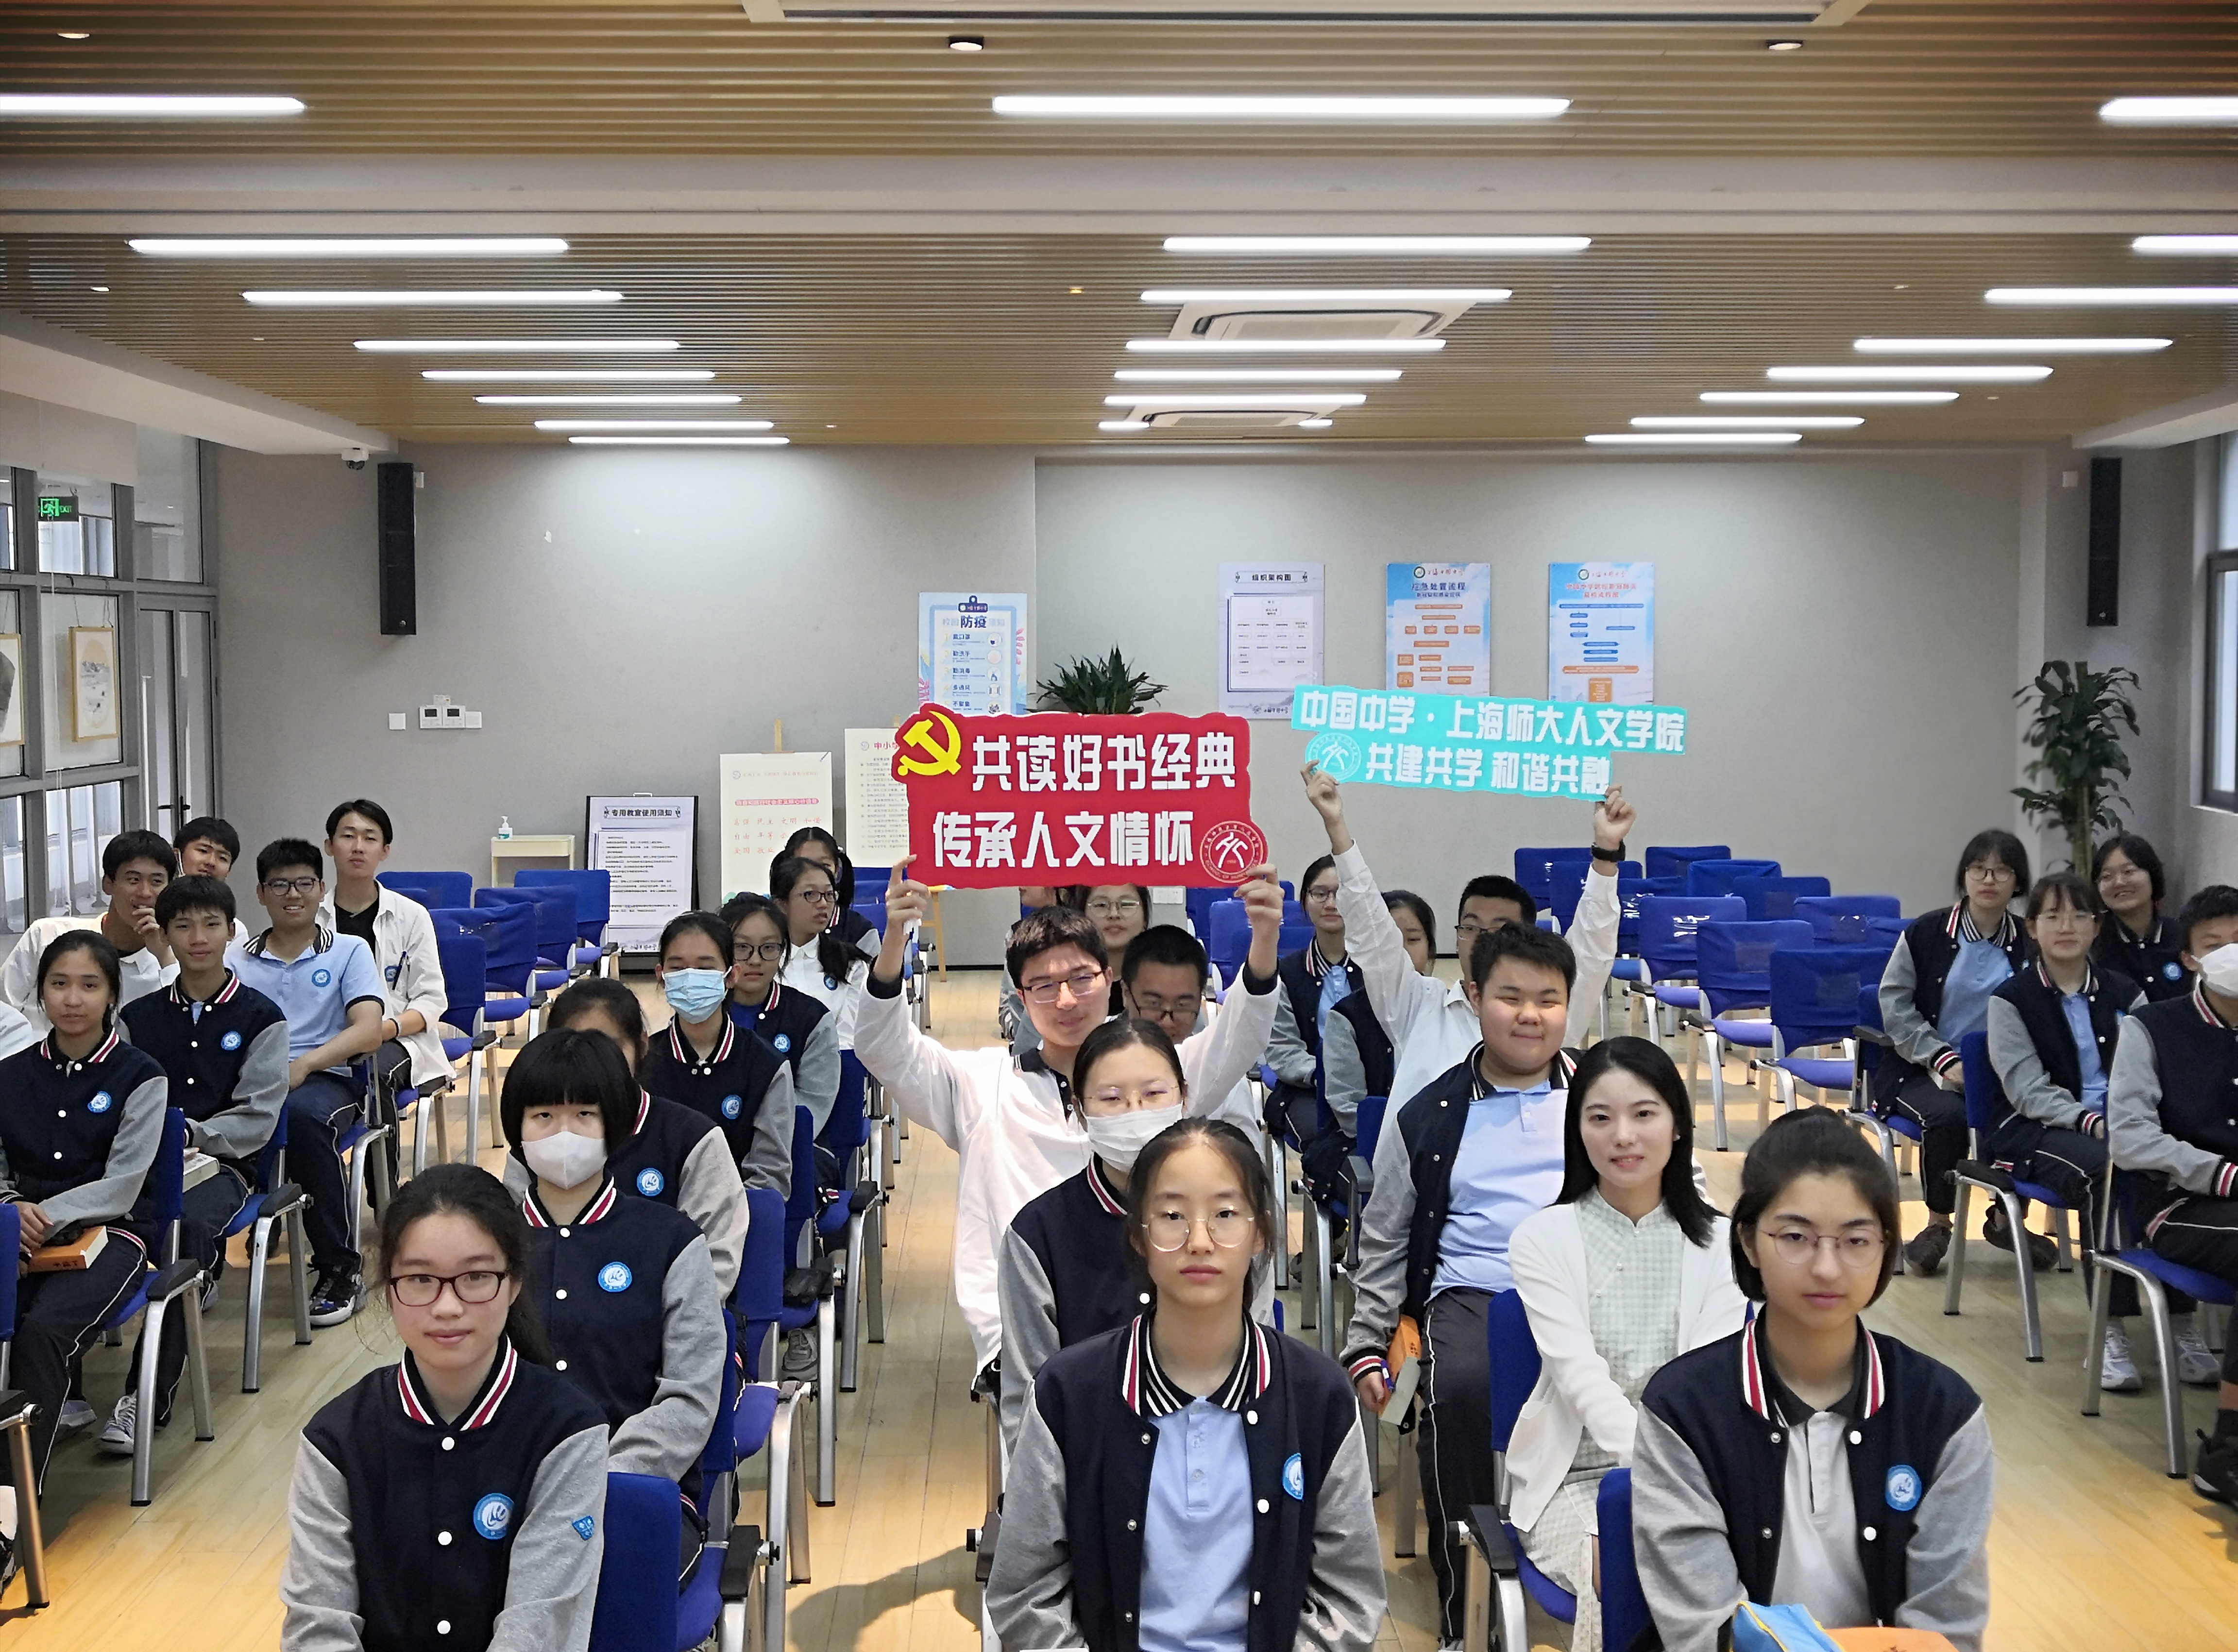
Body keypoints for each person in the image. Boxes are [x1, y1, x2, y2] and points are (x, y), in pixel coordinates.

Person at [855, 855, 1281, 1382]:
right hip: (1024, 1338)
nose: (1065, 1000)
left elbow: (1239, 1036)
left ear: (1110, 978)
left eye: (1082, 978)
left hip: (1162, 1325)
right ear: (1020, 996)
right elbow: (885, 1049)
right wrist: (894, 944)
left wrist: (1265, 937)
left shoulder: (1160, 1071)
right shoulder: (980, 1084)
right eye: (1043, 985)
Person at [987, 1117, 1386, 1652]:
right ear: (1139, 1236)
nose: (1199, 1241)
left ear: (1261, 1233)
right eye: (1172, 1216)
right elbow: (1025, 1593)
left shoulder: (1319, 1397)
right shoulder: (1069, 1394)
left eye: (1225, 1214)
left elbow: (1350, 1596)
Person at [1631, 1109, 1992, 1652]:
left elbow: (1944, 1633)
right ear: (1749, 1241)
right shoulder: (1682, 1410)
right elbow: (1710, 1633)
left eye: (1855, 1240)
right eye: (1796, 1237)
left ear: (1886, 1246)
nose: (1827, 1268)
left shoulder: (1944, 1414)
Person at [1336, 912, 1595, 1644]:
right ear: (1475, 998)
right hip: (1478, 1289)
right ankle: (1469, 1611)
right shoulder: (1432, 1111)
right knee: (1466, 1389)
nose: (1530, 1015)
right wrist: (1367, 1340)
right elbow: (1386, 1234)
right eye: (1511, 996)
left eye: (1548, 999)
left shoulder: (1601, 1095)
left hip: (1591, 1287)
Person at [279, 1163, 609, 1652]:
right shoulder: (335, 1440)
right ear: (389, 1287)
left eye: (476, 1277)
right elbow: (317, 1628)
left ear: (515, 1282)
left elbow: (537, 1630)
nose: (447, 1306)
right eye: (420, 1279)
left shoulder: (567, 1431)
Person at [1507, 1037, 1747, 1652]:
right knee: (1616, 1566)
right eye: (1600, 1117)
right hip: (1574, 1479)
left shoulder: (1724, 1244)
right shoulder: (1541, 1239)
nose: (1623, 1136)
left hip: (1694, 1478)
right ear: (1577, 1130)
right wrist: (1654, 1479)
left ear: (1677, 1125)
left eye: (1644, 1114)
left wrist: (1671, 1486)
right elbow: (1580, 1378)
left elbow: (1704, 1384)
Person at [999, 1017, 1276, 1454]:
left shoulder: (1233, 1216)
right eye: (1112, 1098)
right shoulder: (1038, 1235)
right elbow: (1028, 1399)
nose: (1135, 1112)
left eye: (1154, 1095)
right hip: (1091, 1457)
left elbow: (1260, 1356)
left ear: (1184, 1097)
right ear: (1079, 1110)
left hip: (1223, 1450)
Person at [1984, 871, 2212, 1394]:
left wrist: (2139, 1125)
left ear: (2097, 926)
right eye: (2052, 916)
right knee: (2101, 1171)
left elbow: (2154, 1073)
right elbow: (2027, 1091)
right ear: (2032, 928)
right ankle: (2109, 1328)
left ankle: (2180, 1322)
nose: (2067, 926)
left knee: (2173, 1159)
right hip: (2034, 1131)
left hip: (2121, 1124)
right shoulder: (2011, 1000)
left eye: (2080, 915)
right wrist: (2092, 1120)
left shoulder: (2126, 992)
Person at [505, 1029, 723, 1574]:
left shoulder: (672, 1240)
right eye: (543, 1116)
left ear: (616, 1125)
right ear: (517, 1129)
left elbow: (690, 1396)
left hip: (631, 1492)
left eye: (584, 1115)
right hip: (505, 1491)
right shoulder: (487, 1244)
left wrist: (596, 1477)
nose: (563, 1133)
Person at [1302, 761, 1629, 1120]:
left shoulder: (1545, 1015)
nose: (1482, 941)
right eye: (1471, 927)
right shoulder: (1418, 1005)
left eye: (1500, 929)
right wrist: (1336, 825)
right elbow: (1372, 932)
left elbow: (1592, 950)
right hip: (1429, 1156)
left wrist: (1606, 852)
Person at [104, 874, 289, 1455]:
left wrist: (193, 1134)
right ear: (165, 934)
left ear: (232, 931)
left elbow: (258, 1118)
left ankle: (145, 1395)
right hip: (141, 1166)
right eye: (183, 926)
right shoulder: (137, 1016)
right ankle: (61, 1392)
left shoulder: (262, 1017)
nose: (198, 937)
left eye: (211, 925)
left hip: (225, 1168)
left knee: (184, 1232)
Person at [0, 930, 167, 1569]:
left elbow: (123, 1183)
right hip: (17, 1231)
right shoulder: (10, 1074)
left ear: (112, 995)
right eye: (60, 984)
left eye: (89, 985)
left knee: (42, 1333)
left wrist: (43, 1215)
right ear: (40, 992)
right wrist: (11, 1206)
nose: (73, 999)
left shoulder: (140, 1075)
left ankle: (13, 1516)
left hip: (112, 1236)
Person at [2106, 884, 2238, 1503]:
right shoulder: (2152, 1027)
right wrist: (2220, 1173)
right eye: (2217, 944)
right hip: (2182, 1205)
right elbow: (2131, 1139)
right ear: (2190, 959)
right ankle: (2227, 1448)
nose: (2233, 953)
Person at [229, 838, 390, 1327]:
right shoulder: (237, 960)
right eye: (280, 885)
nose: (293, 894)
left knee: (300, 1120)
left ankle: (340, 1267)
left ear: (322, 889)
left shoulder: (348, 950)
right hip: (253, 1083)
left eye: (304, 883)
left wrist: (302, 1066)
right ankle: (202, 1264)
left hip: (329, 1079)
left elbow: (368, 1029)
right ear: (261, 893)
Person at [525, 977, 747, 1298]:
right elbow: (510, 1249)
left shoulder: (694, 1139)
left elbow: (715, 1264)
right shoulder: (533, 1142)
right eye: (576, 1046)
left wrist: (640, 1316)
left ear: (642, 1045)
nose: (593, 1064)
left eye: (609, 1047)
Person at [1875, 828, 2034, 1276]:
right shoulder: (1926, 933)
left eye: (2002, 871)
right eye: (1979, 869)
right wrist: (1944, 1059)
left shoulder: (2029, 941)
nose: (1989, 879)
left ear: (2018, 883)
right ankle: (1938, 1224)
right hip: (1921, 1066)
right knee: (1948, 1117)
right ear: (1964, 876)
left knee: (2028, 1113)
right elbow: (1895, 1004)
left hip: (2001, 1071)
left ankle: (2004, 1220)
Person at [320, 799, 450, 1149]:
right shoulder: (312, 918)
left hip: (396, 1039)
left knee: (373, 1074)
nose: (358, 847)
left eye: (370, 838)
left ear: (385, 851)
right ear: (329, 846)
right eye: (348, 836)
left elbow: (431, 1000)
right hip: (324, 1040)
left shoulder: (412, 916)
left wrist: (383, 1029)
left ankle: (383, 1183)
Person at [638, 911, 796, 1198]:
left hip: (738, 1214)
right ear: (661, 976)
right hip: (655, 1214)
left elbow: (770, 1174)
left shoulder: (767, 1066)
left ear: (731, 976)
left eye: (705, 968)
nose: (690, 978)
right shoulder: (642, 1061)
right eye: (678, 968)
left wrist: (719, 1213)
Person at [0, 827, 180, 1037]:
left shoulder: (168, 965)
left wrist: (165, 957)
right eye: (133, 880)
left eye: (157, 882)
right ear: (108, 884)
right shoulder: (47, 936)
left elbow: (183, 1029)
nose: (145, 893)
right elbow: (4, 1010)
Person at [1307, 893, 1416, 1207]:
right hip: (1364, 1144)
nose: (1400, 952)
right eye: (1387, 941)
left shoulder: (1445, 1012)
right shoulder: (1346, 1017)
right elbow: (1348, 1109)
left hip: (1431, 1146)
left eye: (1413, 940)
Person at [1119, 924, 1268, 1144]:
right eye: (1154, 1004)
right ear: (1126, 993)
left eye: (1182, 1006)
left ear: (1200, 1000)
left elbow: (1248, 1156)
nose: (1167, 1020)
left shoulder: (1222, 1070)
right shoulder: (1098, 1054)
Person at [1264, 854, 1364, 1146]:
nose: (1331, 903)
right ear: (1305, 901)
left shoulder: (1376, 971)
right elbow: (1283, 1049)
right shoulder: (1286, 973)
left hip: (1374, 1087)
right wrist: (1325, 1075)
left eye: (1340, 893)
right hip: (1309, 1089)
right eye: (1320, 894)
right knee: (1329, 1141)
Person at [721, 891, 839, 1134]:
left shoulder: (812, 1020)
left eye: (769, 948)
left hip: (790, 1146)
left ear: (783, 951)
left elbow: (811, 1107)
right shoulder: (703, 1013)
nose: (755, 960)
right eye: (741, 947)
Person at [1000, 883, 1149, 1058]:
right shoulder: (1033, 957)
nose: (1114, 914)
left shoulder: (1159, 976)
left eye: (1127, 905)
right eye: (1101, 905)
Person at [769, 853, 870, 1059]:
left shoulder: (851, 964)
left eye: (829, 895)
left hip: (834, 1066)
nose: (823, 903)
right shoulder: (762, 961)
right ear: (781, 904)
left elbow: (848, 1037)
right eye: (811, 895)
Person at [2093, 832, 2190, 1002]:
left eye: (2128, 871)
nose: (2119, 882)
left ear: (2152, 875)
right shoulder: (2091, 940)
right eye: (2107, 876)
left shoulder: (2183, 936)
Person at [775, 825, 880, 966]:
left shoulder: (860, 931)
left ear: (837, 870)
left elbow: (877, 979)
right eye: (803, 864)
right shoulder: (768, 925)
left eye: (824, 866)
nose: (815, 873)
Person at [173, 816, 252, 948]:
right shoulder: (152, 914)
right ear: (177, 855)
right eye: (203, 851)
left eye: (223, 858)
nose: (211, 862)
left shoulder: (234, 930)